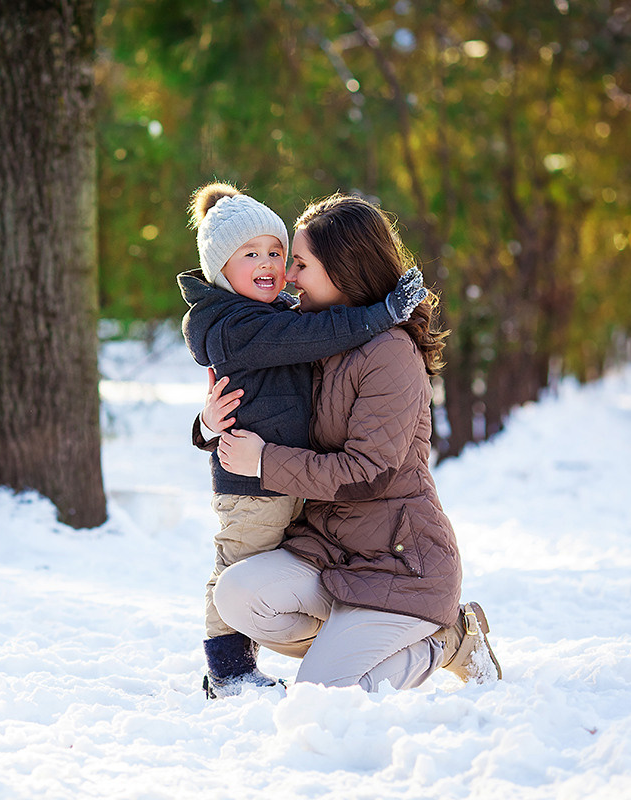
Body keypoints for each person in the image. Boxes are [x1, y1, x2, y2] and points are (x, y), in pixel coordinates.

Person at [206, 191, 502, 693]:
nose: (289, 276)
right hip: (329, 551)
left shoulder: (389, 353)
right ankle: (351, 640)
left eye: (299, 263)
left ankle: (449, 638)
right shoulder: (305, 335)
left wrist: (265, 462)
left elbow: (369, 472)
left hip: (396, 564)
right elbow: (255, 401)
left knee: (326, 698)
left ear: (342, 270)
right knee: (235, 595)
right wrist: (207, 423)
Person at [178, 183, 428, 698]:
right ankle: (227, 668)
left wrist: (215, 430)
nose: (280, 270)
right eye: (254, 255)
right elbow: (308, 339)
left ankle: (401, 638)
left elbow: (363, 465)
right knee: (237, 565)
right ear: (220, 269)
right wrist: (382, 311)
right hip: (258, 489)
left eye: (284, 255)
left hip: (368, 535)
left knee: (255, 576)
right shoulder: (243, 324)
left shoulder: (352, 343)